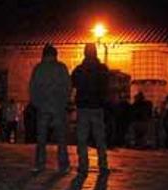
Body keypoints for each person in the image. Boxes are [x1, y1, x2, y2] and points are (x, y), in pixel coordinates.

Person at [29, 43, 71, 171]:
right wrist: (65, 103)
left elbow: (33, 88)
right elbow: (67, 87)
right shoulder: (62, 68)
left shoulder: (38, 69)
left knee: (41, 138)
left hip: (43, 107)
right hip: (58, 107)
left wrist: (37, 104)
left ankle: (39, 164)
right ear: (55, 54)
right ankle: (63, 164)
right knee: (61, 138)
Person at [71, 43, 109, 174]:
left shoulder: (79, 69)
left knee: (82, 138)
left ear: (85, 53)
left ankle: (83, 165)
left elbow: (73, 85)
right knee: (100, 138)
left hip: (83, 107)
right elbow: (106, 87)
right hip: (97, 106)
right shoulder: (102, 69)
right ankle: (103, 164)